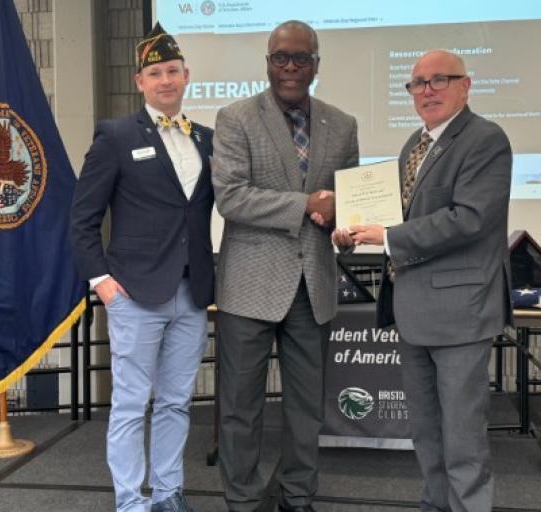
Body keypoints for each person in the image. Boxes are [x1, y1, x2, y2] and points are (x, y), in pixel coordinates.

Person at [334, 50, 512, 512]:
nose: (427, 90)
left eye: (439, 80)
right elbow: (395, 217)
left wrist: (388, 236)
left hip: (460, 315)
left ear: (465, 85)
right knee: (427, 431)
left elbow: (468, 219)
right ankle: (435, 505)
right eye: (418, 83)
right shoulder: (415, 144)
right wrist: (352, 228)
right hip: (413, 311)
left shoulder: (485, 140)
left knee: (463, 436)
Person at [212, 20, 359, 512]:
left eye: (301, 58)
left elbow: (349, 204)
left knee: (306, 409)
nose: (291, 67)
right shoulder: (235, 118)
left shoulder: (343, 125)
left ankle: (298, 498)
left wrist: (349, 229)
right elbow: (231, 198)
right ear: (268, 62)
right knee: (239, 407)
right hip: (248, 286)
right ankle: (243, 500)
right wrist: (305, 204)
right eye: (281, 58)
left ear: (317, 63)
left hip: (313, 283)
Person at [70, 23, 214, 512]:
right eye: (155, 73)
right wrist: (101, 282)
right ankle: (131, 503)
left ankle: (169, 494)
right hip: (134, 293)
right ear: (140, 82)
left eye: (173, 70)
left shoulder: (208, 139)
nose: (165, 80)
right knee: (131, 405)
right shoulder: (115, 136)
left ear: (187, 75)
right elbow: (82, 218)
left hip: (192, 293)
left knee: (176, 402)